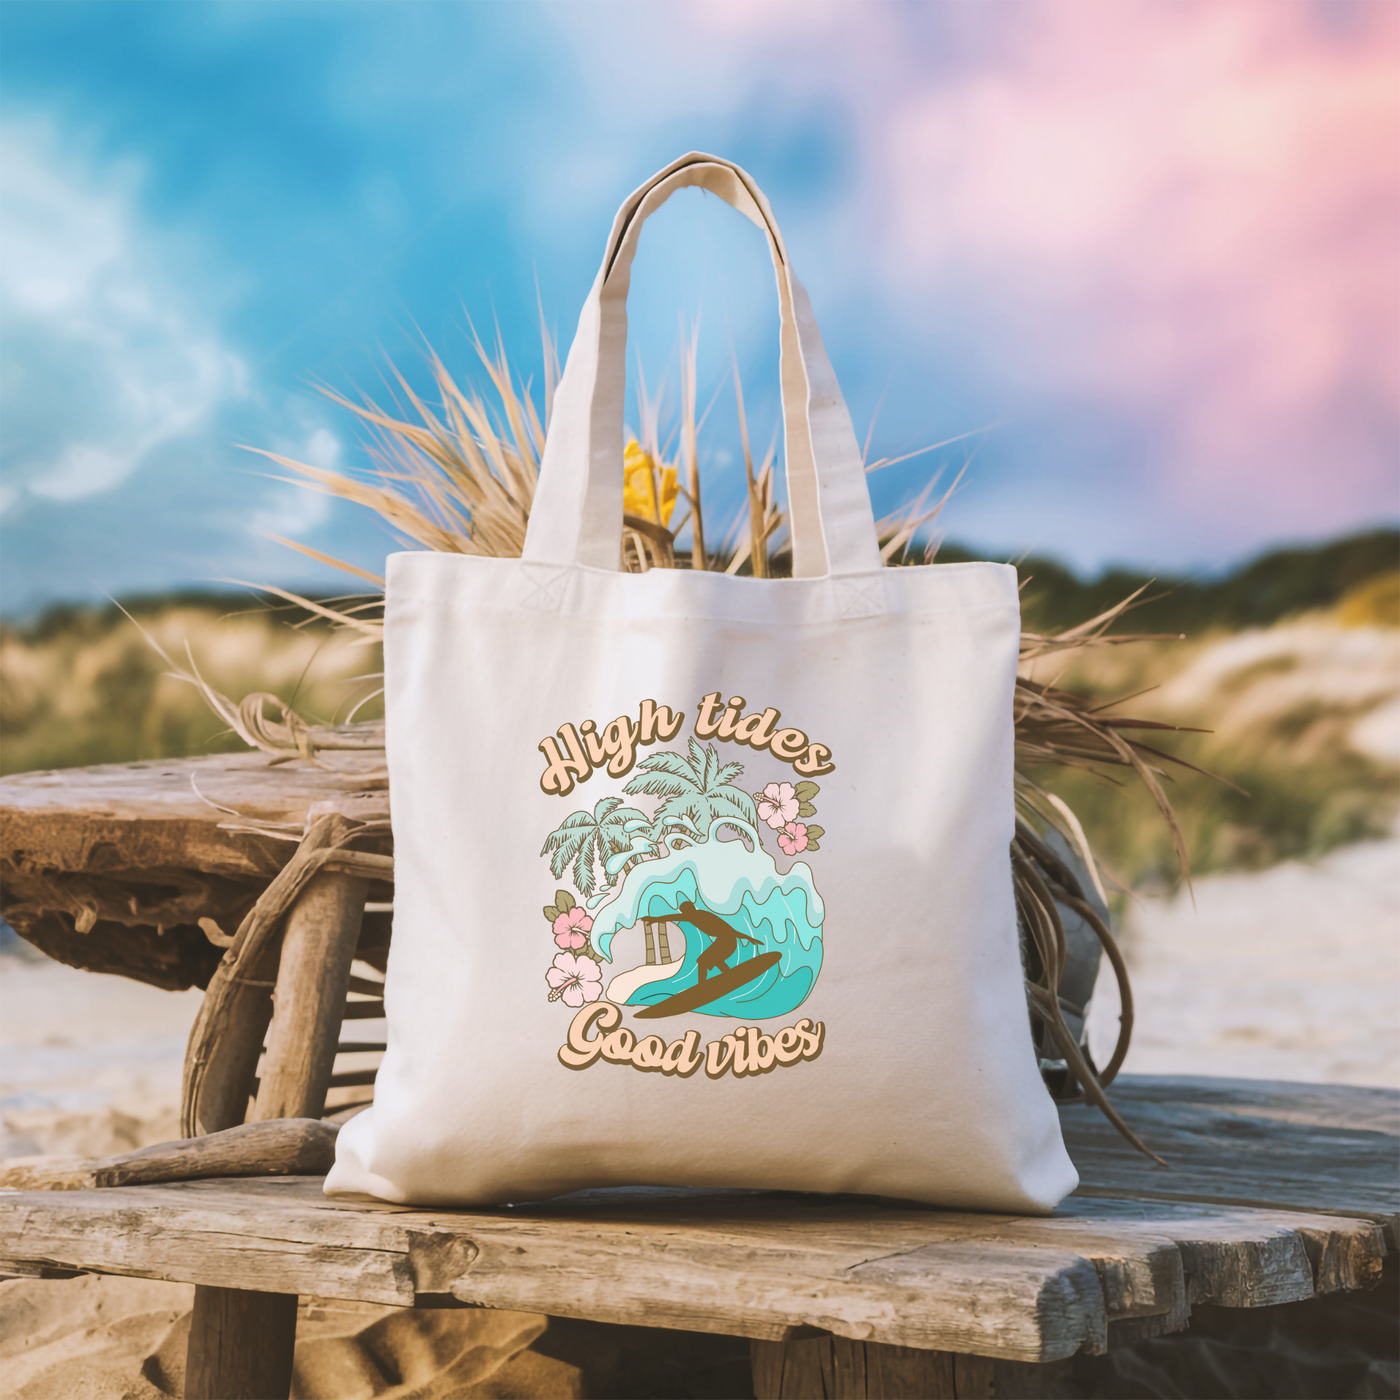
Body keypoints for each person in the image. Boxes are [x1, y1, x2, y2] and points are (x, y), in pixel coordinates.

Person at [677, 899, 762, 982]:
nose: (684, 914)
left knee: (702, 962)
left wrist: (748, 937)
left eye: (684, 911)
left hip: (727, 940)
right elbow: (674, 917)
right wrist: (749, 938)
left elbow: (729, 929)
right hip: (725, 939)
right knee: (716, 960)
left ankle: (701, 986)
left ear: (690, 909)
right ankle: (730, 976)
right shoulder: (694, 916)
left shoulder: (701, 915)